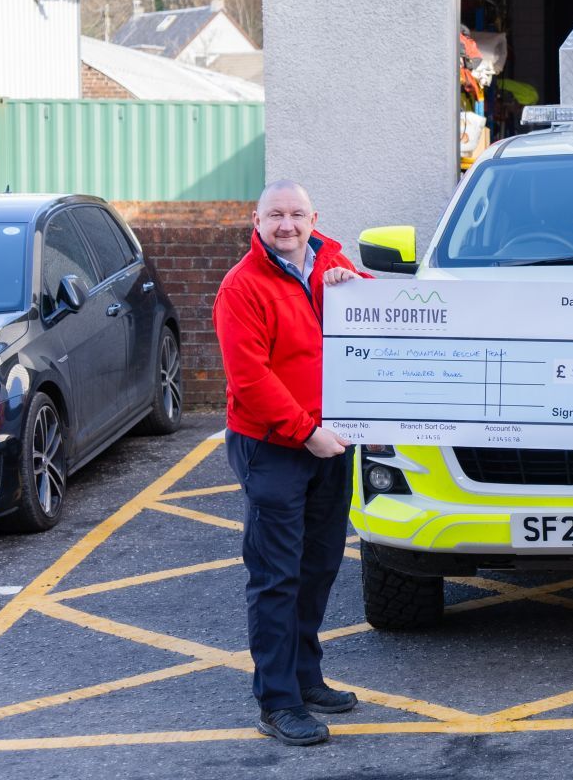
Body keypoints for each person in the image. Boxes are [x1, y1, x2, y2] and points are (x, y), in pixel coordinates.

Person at [214, 179, 371, 746]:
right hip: (275, 445)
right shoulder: (241, 287)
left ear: (314, 218)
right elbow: (250, 379)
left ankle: (306, 676)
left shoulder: (332, 260)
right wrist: (306, 432)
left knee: (320, 564)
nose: (287, 224)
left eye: (297, 215)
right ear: (255, 222)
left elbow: (384, 320)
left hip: (334, 440)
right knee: (277, 575)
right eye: (275, 215)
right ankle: (277, 701)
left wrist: (357, 284)